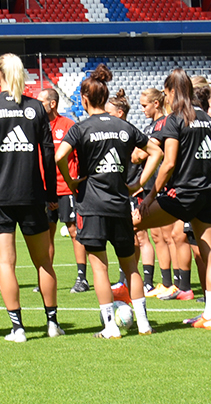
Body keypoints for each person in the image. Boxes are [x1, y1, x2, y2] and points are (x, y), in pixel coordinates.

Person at [131, 69, 211, 331]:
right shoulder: (207, 119)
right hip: (207, 193)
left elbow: (169, 161)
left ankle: (136, 302)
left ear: (171, 92)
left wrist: (150, 195)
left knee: (132, 226)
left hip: (182, 193)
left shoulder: (175, 120)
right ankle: (210, 315)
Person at [54, 66, 153, 338]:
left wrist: (71, 181)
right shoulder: (124, 126)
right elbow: (155, 151)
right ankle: (144, 323)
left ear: (85, 100)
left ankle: (110, 327)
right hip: (121, 203)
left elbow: (59, 156)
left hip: (92, 205)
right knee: (130, 265)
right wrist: (140, 183)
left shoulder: (80, 128)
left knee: (99, 266)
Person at [0, 53, 62, 342]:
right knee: (44, 263)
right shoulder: (36, 108)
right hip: (32, 195)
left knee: (5, 264)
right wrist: (50, 193)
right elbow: (47, 154)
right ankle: (52, 324)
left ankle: (18, 328)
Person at [136, 87, 186, 301]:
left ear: (157, 103)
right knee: (157, 236)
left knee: (170, 235)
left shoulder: (167, 123)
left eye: (145, 105)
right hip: (150, 185)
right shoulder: (151, 126)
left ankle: (178, 282)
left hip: (164, 184)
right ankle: (166, 282)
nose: (142, 109)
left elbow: (162, 155)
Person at [38, 84, 86, 295]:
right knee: (46, 234)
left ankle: (82, 278)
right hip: (45, 189)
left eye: (41, 102)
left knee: (74, 231)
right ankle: (46, 278)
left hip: (66, 188)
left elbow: (78, 156)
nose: (38, 106)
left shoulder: (68, 125)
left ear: (52, 103)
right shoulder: (37, 126)